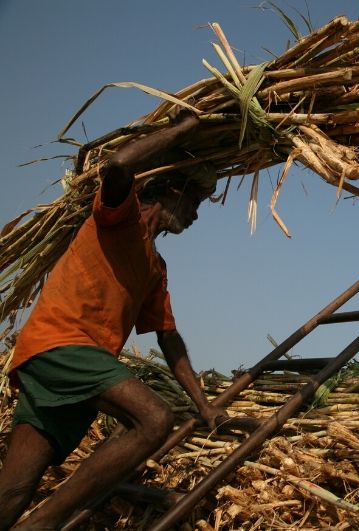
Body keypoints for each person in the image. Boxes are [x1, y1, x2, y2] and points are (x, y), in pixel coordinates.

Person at [0, 109, 227, 530]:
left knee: (12, 491)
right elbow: (119, 165)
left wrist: (206, 406)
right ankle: (45, 523)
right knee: (155, 419)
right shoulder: (118, 219)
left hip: (66, 371)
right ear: (172, 191)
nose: (195, 216)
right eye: (194, 203)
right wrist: (183, 129)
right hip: (61, 346)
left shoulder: (155, 267)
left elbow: (169, 338)